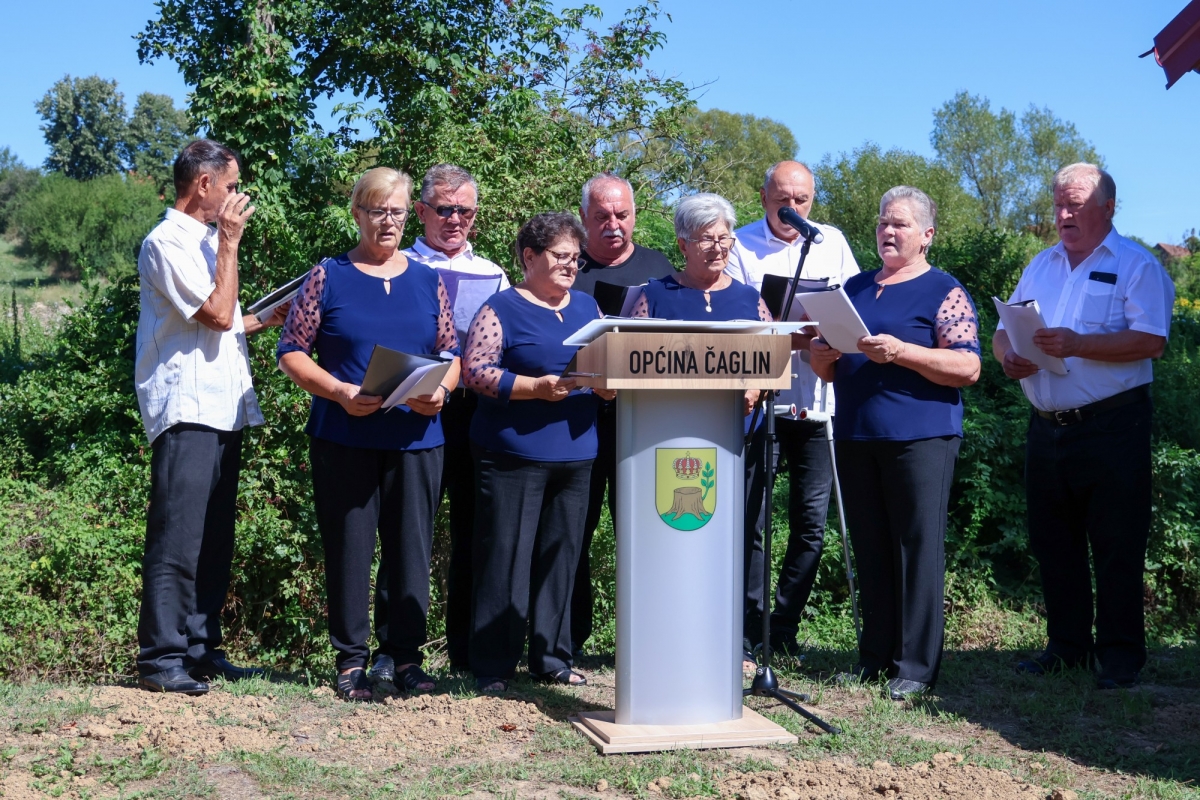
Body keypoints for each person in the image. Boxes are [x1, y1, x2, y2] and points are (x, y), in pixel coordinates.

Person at [278, 167, 461, 701]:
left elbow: (449, 353)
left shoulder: (430, 279)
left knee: (411, 550)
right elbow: (290, 350)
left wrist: (443, 392)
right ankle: (351, 661)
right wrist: (337, 391)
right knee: (350, 547)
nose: (388, 222)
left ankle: (404, 657)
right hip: (345, 434)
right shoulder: (327, 275)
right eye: (377, 211)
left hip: (417, 438)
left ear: (411, 215)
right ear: (356, 213)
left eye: (398, 212)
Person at [992, 163, 1173, 690]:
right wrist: (1007, 357)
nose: (1063, 214)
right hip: (1047, 425)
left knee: (1116, 542)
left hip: (1112, 425)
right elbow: (1006, 329)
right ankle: (1067, 647)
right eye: (1058, 204)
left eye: (1074, 204)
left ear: (1108, 207)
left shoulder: (1136, 265)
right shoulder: (1041, 264)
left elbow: (1151, 341)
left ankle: (1120, 656)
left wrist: (1077, 343)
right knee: (1055, 542)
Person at [809, 186, 981, 700]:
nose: (888, 230)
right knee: (871, 547)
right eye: (884, 222)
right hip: (857, 433)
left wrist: (903, 351)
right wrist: (821, 357)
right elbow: (832, 367)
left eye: (901, 224)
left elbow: (968, 366)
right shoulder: (855, 288)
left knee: (916, 548)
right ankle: (873, 658)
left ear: (927, 235)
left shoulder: (943, 290)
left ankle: (916, 667)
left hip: (921, 436)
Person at [134, 139, 286, 694]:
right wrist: (230, 242)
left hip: (223, 407)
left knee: (214, 536)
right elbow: (219, 314)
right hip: (187, 408)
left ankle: (200, 648)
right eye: (232, 184)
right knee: (178, 537)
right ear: (204, 185)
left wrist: (269, 317)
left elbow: (221, 322)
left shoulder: (201, 240)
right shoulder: (167, 241)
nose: (237, 195)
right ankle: (160, 659)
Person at [463, 212, 616, 692]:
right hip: (512, 454)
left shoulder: (589, 308)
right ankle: (492, 665)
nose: (572, 265)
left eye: (576, 257)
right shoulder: (501, 307)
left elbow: (605, 367)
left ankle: (552, 658)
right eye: (561, 256)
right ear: (529, 257)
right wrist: (534, 387)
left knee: (561, 557)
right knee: (505, 558)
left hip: (577, 453)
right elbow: (476, 372)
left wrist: (611, 388)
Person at [369, 164, 510, 678]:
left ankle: (469, 652)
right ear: (422, 211)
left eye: (465, 211)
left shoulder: (494, 273)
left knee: (477, 531)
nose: (455, 220)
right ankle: (395, 650)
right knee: (408, 532)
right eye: (445, 209)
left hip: (478, 414)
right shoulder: (398, 263)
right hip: (414, 408)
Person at [628, 192, 774, 673]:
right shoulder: (654, 294)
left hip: (737, 443)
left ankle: (738, 639)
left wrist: (755, 385)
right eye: (706, 238)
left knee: (740, 537)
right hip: (665, 446)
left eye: (724, 237)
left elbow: (773, 361)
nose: (718, 247)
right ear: (682, 243)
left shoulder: (751, 301)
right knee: (672, 538)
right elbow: (631, 363)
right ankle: (665, 633)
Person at [725, 160, 861, 660]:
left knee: (810, 524)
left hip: (818, 406)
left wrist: (823, 337)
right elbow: (741, 327)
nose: (793, 209)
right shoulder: (739, 244)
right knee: (750, 519)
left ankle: (782, 627)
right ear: (763, 197)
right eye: (784, 199)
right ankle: (747, 627)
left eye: (802, 200)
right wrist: (792, 338)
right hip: (761, 406)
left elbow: (849, 316)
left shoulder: (832, 241)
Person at [569, 173, 674, 657]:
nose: (614, 225)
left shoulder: (659, 267)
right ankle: (568, 641)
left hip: (643, 424)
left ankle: (646, 641)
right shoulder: (567, 264)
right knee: (574, 533)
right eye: (602, 216)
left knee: (644, 535)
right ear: (585, 218)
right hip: (577, 424)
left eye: (622, 214)